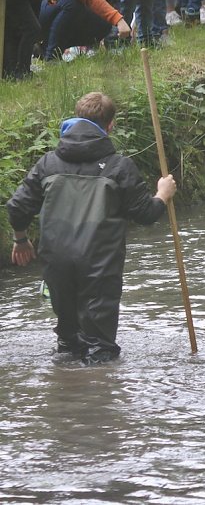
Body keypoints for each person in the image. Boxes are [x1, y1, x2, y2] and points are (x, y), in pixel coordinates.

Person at [6, 92, 177, 364]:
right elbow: (145, 214)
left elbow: (17, 207)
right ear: (110, 125)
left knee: (68, 342)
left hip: (56, 263)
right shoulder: (119, 167)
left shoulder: (48, 164)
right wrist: (162, 194)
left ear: (76, 119)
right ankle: (97, 389)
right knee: (100, 349)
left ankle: (62, 387)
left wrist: (21, 239)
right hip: (100, 266)